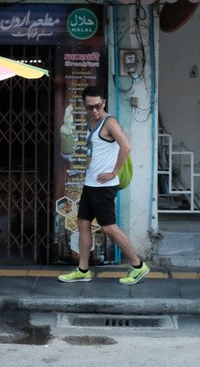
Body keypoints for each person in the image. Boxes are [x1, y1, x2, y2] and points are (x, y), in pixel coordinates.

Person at [58, 86, 150, 285]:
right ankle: (83, 270)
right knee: (83, 224)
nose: (94, 111)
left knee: (108, 228)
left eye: (98, 106)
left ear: (104, 103)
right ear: (85, 106)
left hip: (103, 186)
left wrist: (114, 172)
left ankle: (137, 265)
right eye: (90, 107)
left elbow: (126, 146)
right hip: (91, 184)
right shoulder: (92, 121)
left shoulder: (110, 122)